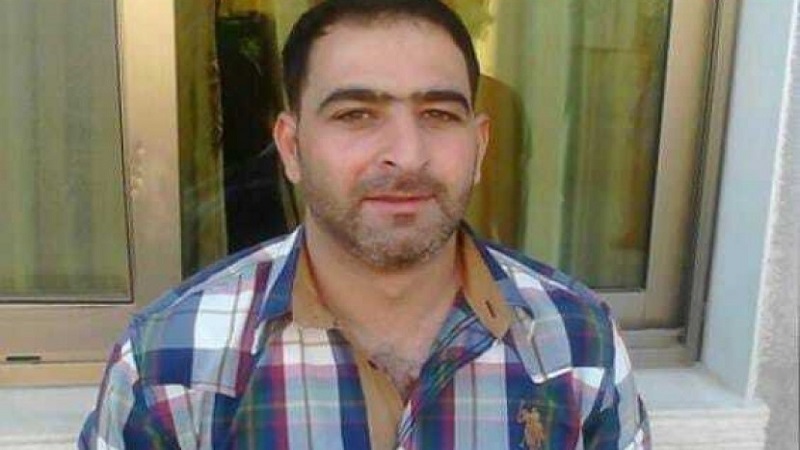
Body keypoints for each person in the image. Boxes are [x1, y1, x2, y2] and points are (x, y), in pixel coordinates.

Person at [79, 0, 650, 448]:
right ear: (291, 147)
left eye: (437, 114)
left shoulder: (576, 341)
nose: (407, 154)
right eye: (356, 115)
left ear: (478, 147)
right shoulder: (171, 362)